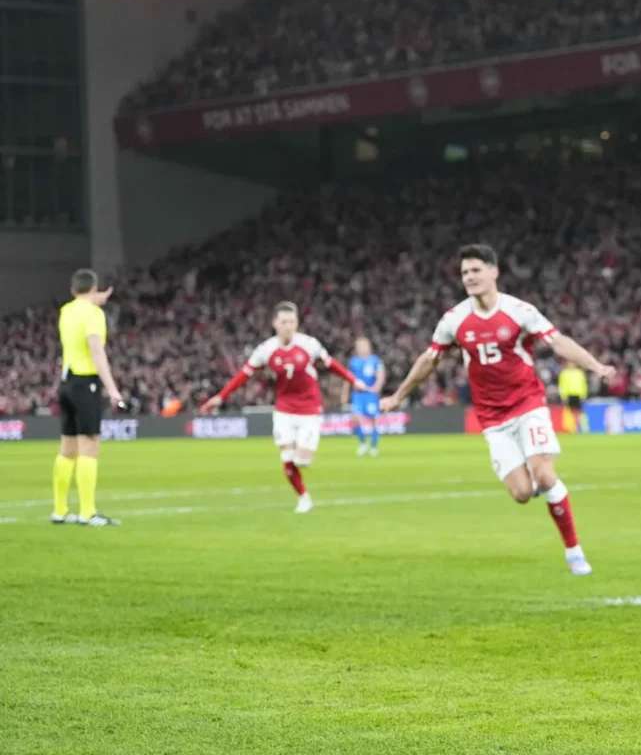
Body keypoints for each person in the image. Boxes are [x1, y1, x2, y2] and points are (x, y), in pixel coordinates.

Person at [381, 244, 616, 576]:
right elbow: (429, 361)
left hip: (528, 404)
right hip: (492, 417)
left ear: (494, 272)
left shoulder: (519, 311)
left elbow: (558, 342)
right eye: (465, 272)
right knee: (522, 493)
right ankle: (546, 490)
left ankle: (573, 550)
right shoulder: (454, 320)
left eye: (476, 270)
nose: (469, 277)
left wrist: (596, 366)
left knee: (544, 473)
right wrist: (398, 395)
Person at [199, 302, 365, 513]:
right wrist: (221, 397)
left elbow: (332, 365)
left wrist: (353, 380)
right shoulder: (266, 350)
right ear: (275, 323)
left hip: (310, 408)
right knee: (287, 458)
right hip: (284, 409)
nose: (288, 326)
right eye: (284, 322)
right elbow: (243, 375)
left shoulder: (309, 344)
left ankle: (300, 462)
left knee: (302, 461)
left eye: (292, 322)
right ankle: (304, 498)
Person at [51, 269, 125, 526]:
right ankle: (87, 512)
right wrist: (112, 389)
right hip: (86, 383)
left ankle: (60, 510)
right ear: (95, 289)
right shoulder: (93, 314)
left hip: (66, 383)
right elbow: (96, 351)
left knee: (67, 449)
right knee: (89, 446)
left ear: (73, 290)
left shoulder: (66, 311)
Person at [346, 337, 385, 457]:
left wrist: (377, 387)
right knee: (355, 419)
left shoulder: (375, 360)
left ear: (369, 347)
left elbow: (381, 375)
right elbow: (348, 377)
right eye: (359, 346)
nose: (362, 348)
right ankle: (362, 443)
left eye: (364, 346)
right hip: (358, 395)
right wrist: (345, 393)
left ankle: (373, 446)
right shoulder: (353, 361)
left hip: (370, 394)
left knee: (374, 419)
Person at [557, 361, 589, 433]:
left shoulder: (580, 373)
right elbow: (561, 385)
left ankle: (583, 427)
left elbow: (584, 384)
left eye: (572, 363)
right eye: (569, 363)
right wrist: (563, 396)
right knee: (570, 412)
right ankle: (572, 427)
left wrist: (584, 395)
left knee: (580, 412)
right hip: (569, 395)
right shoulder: (564, 373)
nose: (571, 364)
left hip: (578, 394)